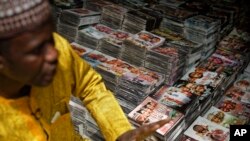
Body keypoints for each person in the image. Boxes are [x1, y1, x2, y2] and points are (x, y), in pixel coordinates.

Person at [0, 0, 170, 141]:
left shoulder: (59, 50)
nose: (53, 54)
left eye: (50, 38)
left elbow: (91, 86)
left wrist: (121, 132)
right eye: (36, 50)